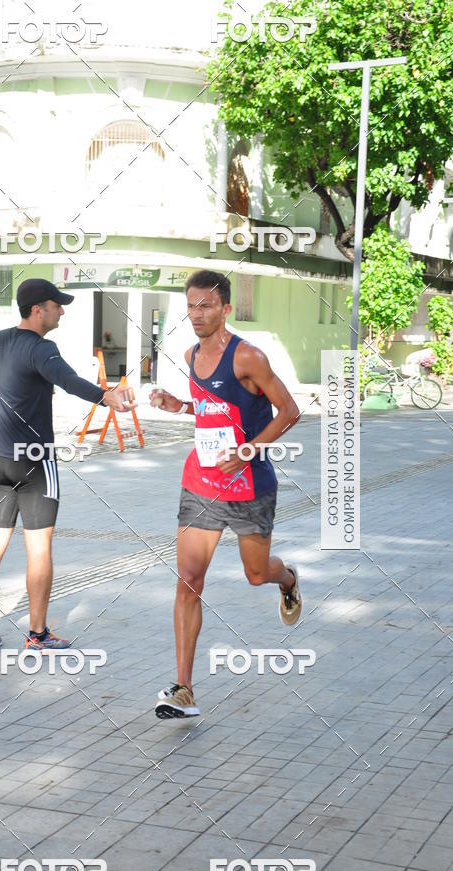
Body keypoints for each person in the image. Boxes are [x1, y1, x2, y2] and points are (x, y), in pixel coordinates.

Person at [152, 270, 302, 719]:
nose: (196, 314)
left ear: (225, 309)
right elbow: (208, 407)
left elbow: (290, 410)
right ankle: (183, 688)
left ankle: (289, 579)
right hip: (202, 482)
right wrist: (178, 405)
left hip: (250, 484)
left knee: (256, 575)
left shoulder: (248, 357)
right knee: (188, 581)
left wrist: (248, 449)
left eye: (206, 306)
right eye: (191, 306)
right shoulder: (190, 354)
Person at [0, 278, 135, 654]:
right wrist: (107, 396)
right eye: (56, 304)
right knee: (39, 549)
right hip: (33, 461)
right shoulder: (43, 348)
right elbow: (69, 381)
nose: (61, 310)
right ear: (37, 310)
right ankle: (38, 635)